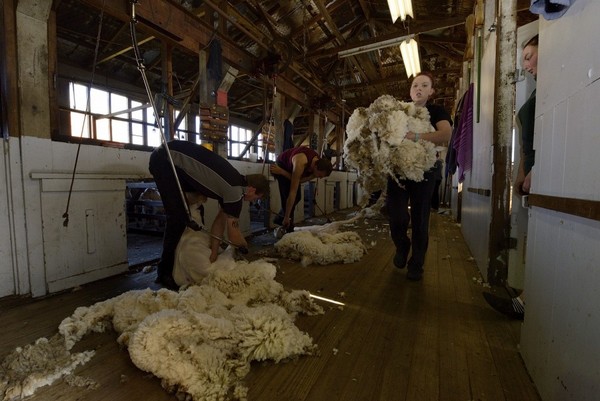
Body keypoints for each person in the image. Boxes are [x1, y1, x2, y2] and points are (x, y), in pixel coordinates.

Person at [149, 140, 269, 290]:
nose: (253, 201)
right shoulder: (236, 193)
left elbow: (219, 222)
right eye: (256, 198)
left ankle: (184, 260)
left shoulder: (236, 182)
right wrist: (244, 248)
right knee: (177, 219)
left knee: (196, 208)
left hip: (173, 159)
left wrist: (213, 252)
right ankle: (164, 272)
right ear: (252, 189)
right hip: (165, 159)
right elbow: (234, 234)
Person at [484, 35, 538, 320]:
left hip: (540, 172)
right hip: (530, 172)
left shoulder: (549, 91)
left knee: (539, 242)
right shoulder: (537, 92)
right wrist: (521, 172)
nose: (526, 64)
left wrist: (535, 171)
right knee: (533, 241)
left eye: (529, 56)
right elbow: (528, 142)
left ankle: (525, 303)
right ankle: (524, 299)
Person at [387, 72, 452, 281]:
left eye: (425, 85)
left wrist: (416, 137)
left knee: (420, 216)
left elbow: (446, 135)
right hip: (398, 168)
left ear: (431, 91)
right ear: (410, 90)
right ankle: (402, 244)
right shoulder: (400, 111)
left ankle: (417, 263)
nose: (419, 89)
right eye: (415, 85)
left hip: (425, 169)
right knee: (395, 213)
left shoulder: (436, 111)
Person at [269, 146, 333, 231]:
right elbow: (292, 192)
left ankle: (281, 218)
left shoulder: (316, 164)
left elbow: (299, 180)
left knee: (298, 197)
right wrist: (281, 171)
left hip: (292, 169)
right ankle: (288, 227)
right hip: (282, 166)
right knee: (289, 196)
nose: (320, 178)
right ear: (316, 167)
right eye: (320, 175)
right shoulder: (300, 162)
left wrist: (313, 175)